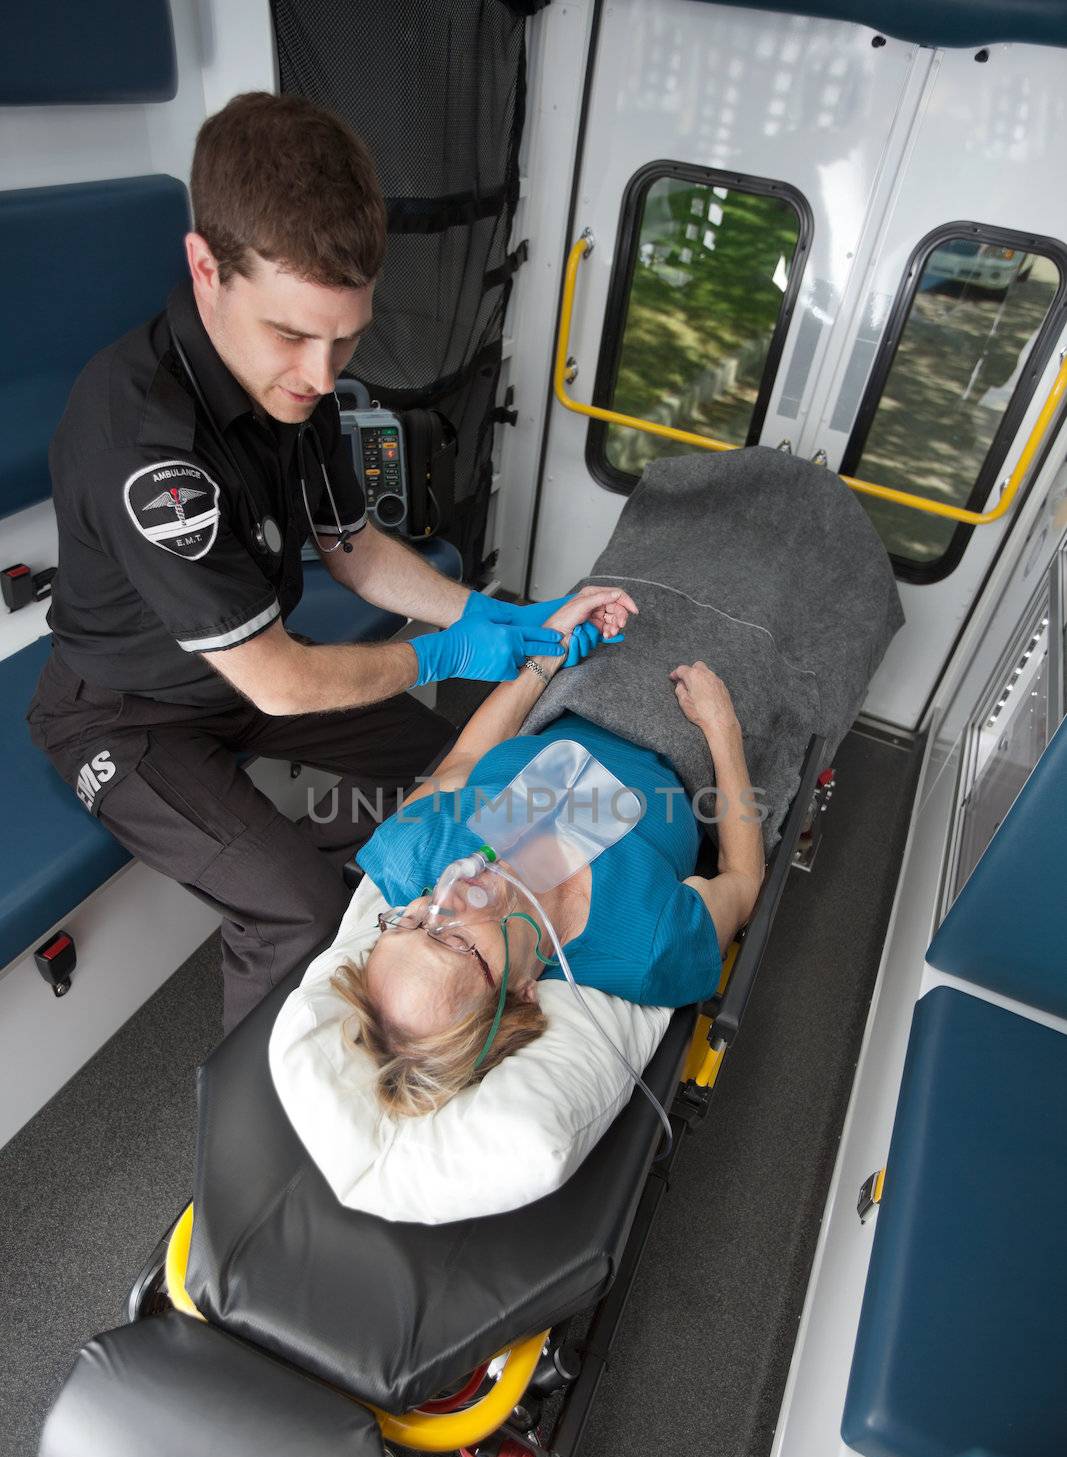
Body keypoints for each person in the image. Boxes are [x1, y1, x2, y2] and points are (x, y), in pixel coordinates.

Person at [26, 91, 619, 1030]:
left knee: (463, 769)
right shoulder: (143, 444)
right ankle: (253, 1158)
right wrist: (446, 655)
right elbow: (282, 683)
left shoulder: (305, 390)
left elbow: (353, 550)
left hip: (245, 674)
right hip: (126, 718)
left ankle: (347, 876)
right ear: (205, 268)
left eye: (346, 337)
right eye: (292, 334)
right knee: (293, 911)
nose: (320, 371)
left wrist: (481, 614)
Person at [332, 587, 766, 1118]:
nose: (440, 901)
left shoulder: (414, 851)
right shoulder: (649, 944)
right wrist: (724, 728)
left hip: (587, 664)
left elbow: (465, 756)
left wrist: (548, 653)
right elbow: (742, 881)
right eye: (458, 943)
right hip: (693, 716)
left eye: (406, 923)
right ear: (521, 994)